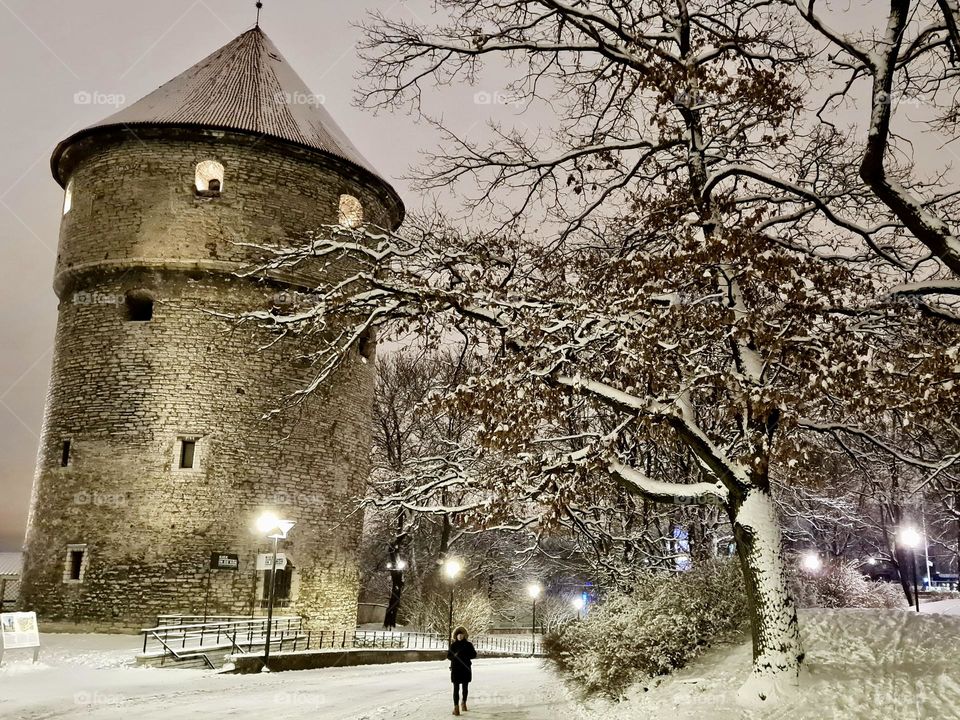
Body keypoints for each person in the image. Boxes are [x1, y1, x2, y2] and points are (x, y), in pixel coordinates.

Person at [447, 625, 477, 715]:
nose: (459, 636)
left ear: (464, 635)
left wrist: (465, 655)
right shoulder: (453, 645)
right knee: (456, 688)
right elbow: (448, 656)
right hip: (456, 669)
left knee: (465, 687)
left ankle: (464, 703)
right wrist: (454, 656)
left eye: (461, 634)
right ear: (455, 636)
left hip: (465, 668)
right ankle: (456, 707)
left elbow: (474, 655)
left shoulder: (468, 645)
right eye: (458, 635)